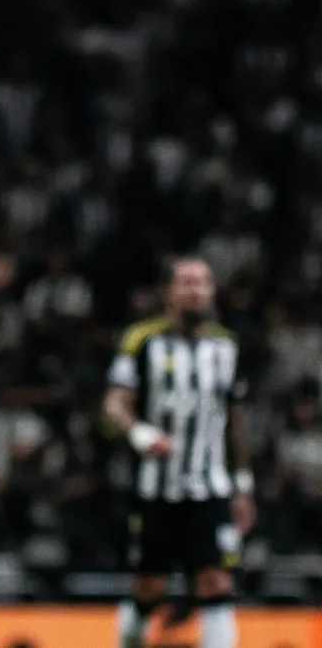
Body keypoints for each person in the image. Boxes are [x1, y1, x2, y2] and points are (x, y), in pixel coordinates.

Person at [103, 257, 256, 648]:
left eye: (203, 281)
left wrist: (242, 485)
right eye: (186, 281)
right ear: (168, 292)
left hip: (211, 487)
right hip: (156, 488)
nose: (196, 289)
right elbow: (114, 403)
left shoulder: (227, 347)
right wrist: (139, 433)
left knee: (216, 582)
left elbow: (234, 422)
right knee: (149, 587)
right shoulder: (141, 340)